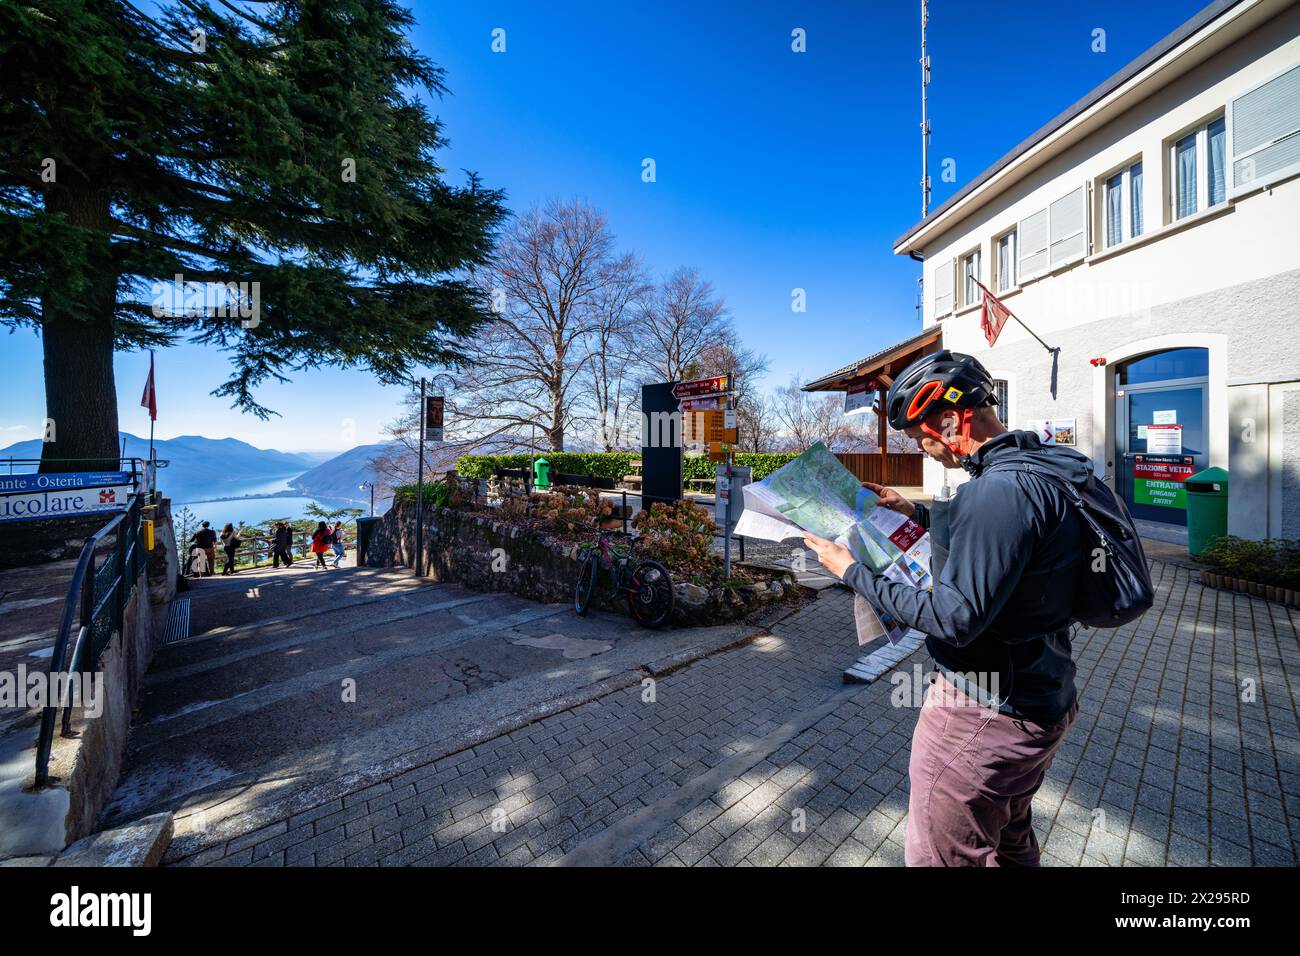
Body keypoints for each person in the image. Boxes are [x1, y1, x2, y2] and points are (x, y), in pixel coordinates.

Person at [801, 350, 1089, 867]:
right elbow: (1005, 551)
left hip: (985, 713)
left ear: (954, 421)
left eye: (920, 437)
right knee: (1009, 838)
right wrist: (915, 512)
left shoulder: (994, 492)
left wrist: (851, 572)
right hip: (1045, 696)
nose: (924, 450)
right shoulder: (1041, 469)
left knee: (942, 855)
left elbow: (953, 618)